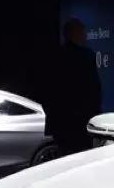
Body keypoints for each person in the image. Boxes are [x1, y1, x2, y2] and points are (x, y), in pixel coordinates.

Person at [44, 18, 102, 156]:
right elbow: (94, 90)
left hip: (60, 124)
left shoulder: (53, 57)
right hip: (81, 123)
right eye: (83, 32)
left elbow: (46, 91)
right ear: (75, 33)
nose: (86, 35)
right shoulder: (86, 56)